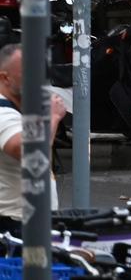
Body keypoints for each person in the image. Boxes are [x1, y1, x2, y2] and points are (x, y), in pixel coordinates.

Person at [0, 44, 67, 235]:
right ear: (5, 77)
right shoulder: (3, 114)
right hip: (17, 227)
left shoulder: (16, 109)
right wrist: (53, 117)